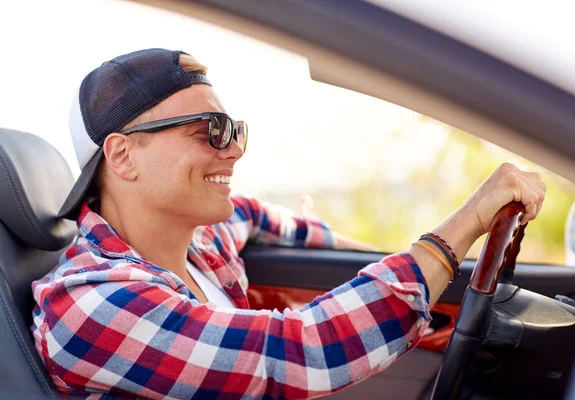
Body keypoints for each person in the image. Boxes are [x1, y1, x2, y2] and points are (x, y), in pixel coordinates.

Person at [31, 49, 546, 399]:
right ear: (122, 156)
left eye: (234, 129)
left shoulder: (200, 244)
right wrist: (464, 225)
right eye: (209, 130)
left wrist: (347, 248)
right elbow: (300, 351)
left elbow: (256, 216)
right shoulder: (90, 306)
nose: (232, 149)